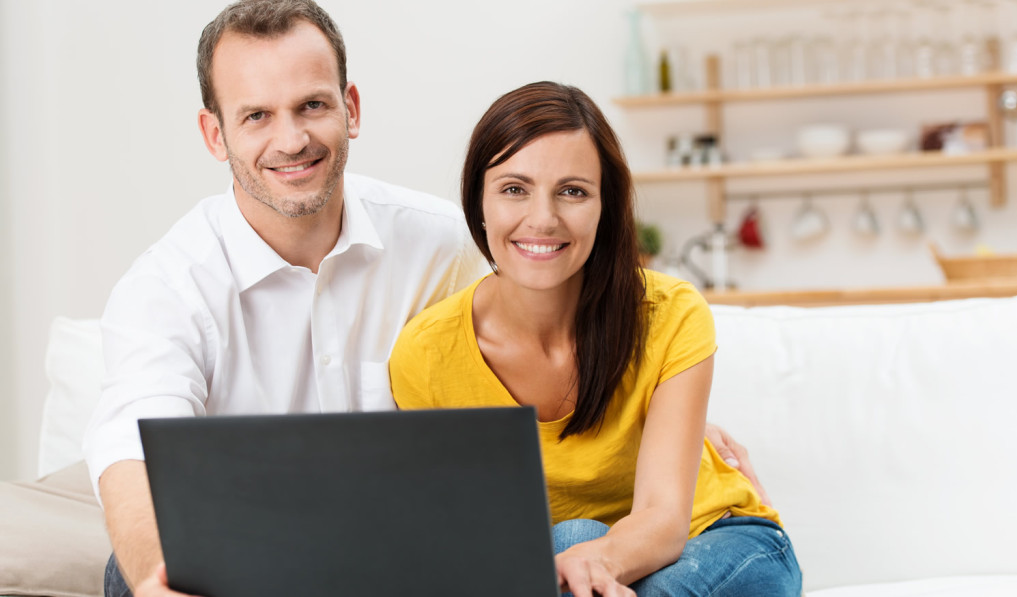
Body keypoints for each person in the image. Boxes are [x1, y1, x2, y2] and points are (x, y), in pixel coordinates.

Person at [83, 2, 769, 596]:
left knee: (573, 538)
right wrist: (151, 573)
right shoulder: (169, 285)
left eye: (312, 105)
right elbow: (127, 447)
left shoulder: (440, 240)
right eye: (257, 115)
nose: (291, 139)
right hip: (251, 552)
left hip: (391, 552)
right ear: (216, 134)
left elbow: (553, 291)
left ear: (350, 109)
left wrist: (666, 411)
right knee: (129, 569)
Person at [389, 81, 803, 596]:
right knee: (572, 537)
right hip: (573, 556)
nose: (542, 219)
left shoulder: (669, 313)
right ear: (479, 202)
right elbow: (459, 534)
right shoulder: (427, 356)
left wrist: (591, 566)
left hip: (719, 541)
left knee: (610, 572)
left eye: (573, 191)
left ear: (606, 206)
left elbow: (663, 518)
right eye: (515, 189)